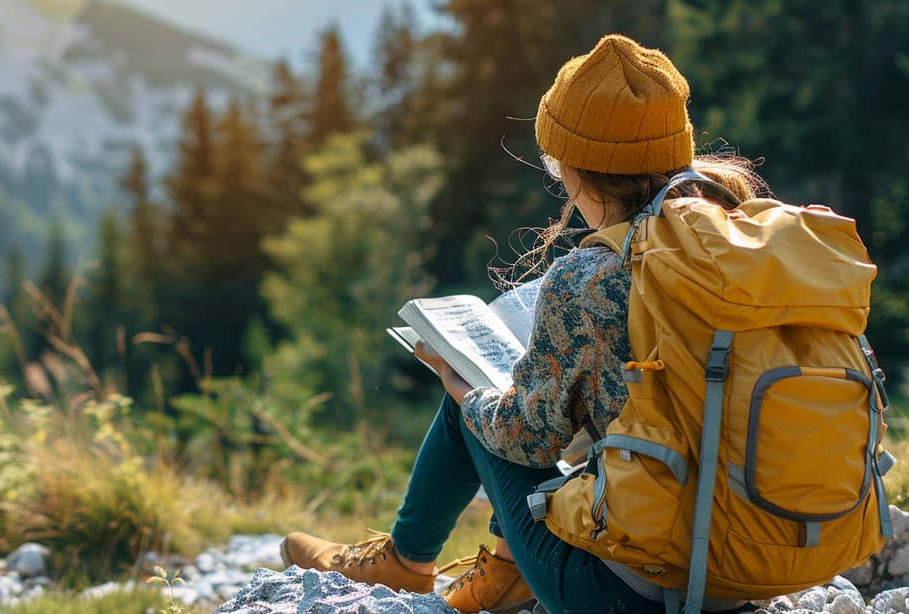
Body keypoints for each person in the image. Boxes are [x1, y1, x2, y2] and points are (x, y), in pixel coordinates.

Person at [281, 33, 763, 614]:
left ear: (570, 167)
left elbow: (528, 441)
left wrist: (464, 390)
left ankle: (406, 562)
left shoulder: (590, 278)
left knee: (475, 407)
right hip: (753, 565)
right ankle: (498, 573)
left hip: (627, 593)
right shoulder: (748, 241)